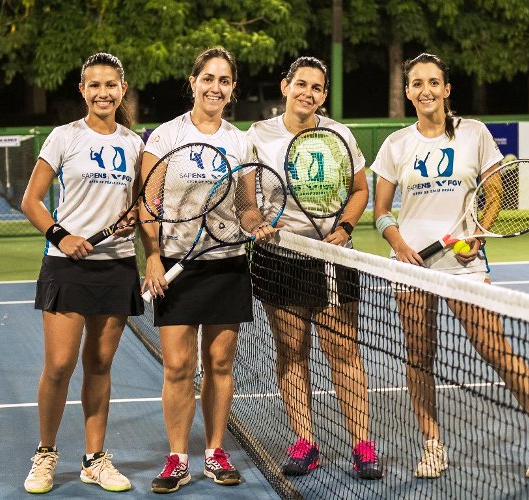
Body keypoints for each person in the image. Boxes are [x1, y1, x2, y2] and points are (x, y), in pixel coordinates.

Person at [370, 52, 529, 480]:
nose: (426, 90)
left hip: (464, 265)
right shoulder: (396, 144)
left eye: (433, 82)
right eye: (417, 83)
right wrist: (398, 243)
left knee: (496, 351)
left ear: (446, 89)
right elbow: (380, 211)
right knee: (419, 357)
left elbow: (496, 193)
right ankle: (432, 445)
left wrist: (479, 234)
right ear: (408, 92)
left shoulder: (474, 133)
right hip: (411, 267)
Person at [140, 46, 274, 494]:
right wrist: (153, 256)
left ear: (232, 89)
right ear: (193, 82)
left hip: (227, 263)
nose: (215, 87)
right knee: (178, 365)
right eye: (208, 78)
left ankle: (215, 452)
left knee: (219, 363)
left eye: (224, 81)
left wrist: (257, 225)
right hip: (176, 264)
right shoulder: (165, 137)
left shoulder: (240, 142)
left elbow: (247, 206)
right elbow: (148, 203)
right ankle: (178, 458)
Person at [246, 56, 384, 480]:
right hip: (280, 258)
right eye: (301, 84)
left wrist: (345, 228)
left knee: (343, 350)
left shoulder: (339, 135)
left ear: (324, 95)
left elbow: (359, 190)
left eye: (316, 88)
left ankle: (363, 444)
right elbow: (246, 200)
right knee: (291, 351)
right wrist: (256, 223)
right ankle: (305, 442)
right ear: (285, 86)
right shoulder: (258, 135)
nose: (307, 93)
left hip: (331, 259)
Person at [20, 52, 144, 494]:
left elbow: (139, 206)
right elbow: (31, 201)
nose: (102, 93)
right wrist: (62, 235)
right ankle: (46, 453)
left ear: (122, 90)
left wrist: (134, 219)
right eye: (94, 85)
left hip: (117, 265)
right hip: (66, 266)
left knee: (100, 364)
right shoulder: (64, 137)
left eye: (110, 85)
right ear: (82, 90)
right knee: (59, 365)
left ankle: (94, 459)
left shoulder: (135, 144)